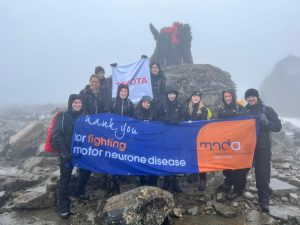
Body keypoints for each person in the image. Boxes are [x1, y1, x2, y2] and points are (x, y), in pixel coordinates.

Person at [241, 88, 282, 212]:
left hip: (262, 147)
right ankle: (239, 190)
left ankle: (263, 198)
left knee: (262, 173)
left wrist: (267, 122)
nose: (251, 99)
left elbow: (278, 126)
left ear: (257, 97)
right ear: (246, 99)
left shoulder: (268, 110)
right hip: (246, 146)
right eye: (248, 97)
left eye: (253, 96)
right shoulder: (243, 111)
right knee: (241, 170)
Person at [51, 94, 91, 218]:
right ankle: (63, 204)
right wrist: (64, 152)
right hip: (66, 153)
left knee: (86, 171)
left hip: (81, 153)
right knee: (65, 179)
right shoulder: (63, 116)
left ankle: (78, 191)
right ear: (71, 103)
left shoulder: (85, 117)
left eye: (80, 102)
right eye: (75, 102)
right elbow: (56, 136)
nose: (78, 104)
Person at [216, 89, 249, 199]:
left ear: (233, 96)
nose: (227, 98)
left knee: (239, 166)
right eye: (225, 97)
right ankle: (228, 183)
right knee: (226, 163)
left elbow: (246, 124)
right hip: (226, 142)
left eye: (229, 96)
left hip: (238, 142)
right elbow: (216, 124)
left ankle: (238, 189)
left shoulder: (240, 108)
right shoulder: (221, 109)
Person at [155, 85, 184, 192]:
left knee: (175, 158)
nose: (171, 96)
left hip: (176, 137)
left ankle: (175, 182)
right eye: (170, 94)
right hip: (165, 136)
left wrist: (179, 121)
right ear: (167, 95)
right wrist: (165, 120)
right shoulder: (162, 104)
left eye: (173, 94)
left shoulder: (180, 104)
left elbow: (184, 117)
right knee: (166, 158)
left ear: (176, 95)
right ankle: (166, 181)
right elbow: (156, 117)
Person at [183, 91, 212, 191]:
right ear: (191, 97)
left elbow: (204, 123)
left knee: (201, 158)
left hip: (200, 137)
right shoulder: (187, 108)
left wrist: (193, 124)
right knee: (192, 156)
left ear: (200, 98)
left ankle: (203, 179)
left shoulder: (203, 109)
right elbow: (183, 119)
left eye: (198, 97)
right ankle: (194, 174)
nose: (195, 98)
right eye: (194, 96)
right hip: (189, 137)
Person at [134, 95, 158, 186]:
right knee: (140, 161)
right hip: (139, 141)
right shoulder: (136, 113)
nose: (146, 104)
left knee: (151, 160)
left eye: (148, 103)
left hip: (151, 141)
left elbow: (157, 126)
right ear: (141, 103)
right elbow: (132, 126)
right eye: (144, 102)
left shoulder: (153, 113)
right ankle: (141, 181)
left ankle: (152, 182)